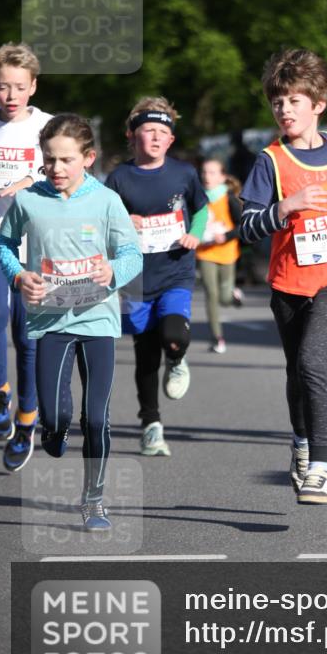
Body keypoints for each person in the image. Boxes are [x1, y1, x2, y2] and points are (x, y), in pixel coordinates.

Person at [239, 48, 327, 505]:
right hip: (288, 283)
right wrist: (284, 209)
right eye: (277, 103)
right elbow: (248, 226)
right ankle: (300, 442)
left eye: (294, 101)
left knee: (312, 362)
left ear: (318, 104)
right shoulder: (271, 161)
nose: (284, 110)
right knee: (296, 370)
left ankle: (321, 468)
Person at [0, 114, 142, 529]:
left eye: (66, 160)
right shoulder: (28, 200)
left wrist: (113, 271)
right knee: (56, 420)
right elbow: (5, 245)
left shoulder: (107, 201)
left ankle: (93, 499)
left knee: (96, 417)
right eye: (49, 160)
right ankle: (52, 430)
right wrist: (19, 276)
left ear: (88, 158)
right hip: (50, 319)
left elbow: (132, 255)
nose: (56, 168)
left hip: (97, 318)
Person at [105, 97, 209, 457]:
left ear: (170, 140)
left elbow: (201, 208)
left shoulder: (183, 174)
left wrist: (195, 232)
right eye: (147, 130)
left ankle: (177, 360)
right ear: (132, 136)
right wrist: (122, 223)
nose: (154, 137)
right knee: (145, 355)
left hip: (175, 269)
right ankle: (151, 425)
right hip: (135, 277)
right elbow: (103, 222)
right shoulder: (118, 177)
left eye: (162, 132)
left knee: (173, 334)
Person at [0, 42, 52, 472]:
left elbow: (69, 167)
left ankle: (27, 420)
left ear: (32, 86)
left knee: (26, 337)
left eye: (18, 87)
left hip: (37, 244)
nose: (9, 96)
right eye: (1, 87)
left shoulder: (49, 128)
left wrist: (29, 179)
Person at [196, 158, 242, 353]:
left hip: (227, 251)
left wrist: (225, 235)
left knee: (223, 297)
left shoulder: (229, 197)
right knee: (211, 296)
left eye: (212, 173)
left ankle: (232, 295)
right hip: (205, 252)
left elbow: (242, 225)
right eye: (205, 172)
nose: (207, 176)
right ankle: (217, 338)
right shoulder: (197, 197)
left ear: (222, 177)